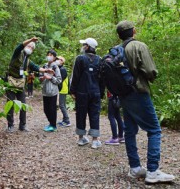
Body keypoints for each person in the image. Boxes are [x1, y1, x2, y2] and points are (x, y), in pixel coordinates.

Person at [116, 20, 175, 184]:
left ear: (120, 35)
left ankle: (135, 168)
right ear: (134, 31)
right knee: (155, 130)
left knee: (130, 131)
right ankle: (153, 171)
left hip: (124, 95)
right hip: (138, 92)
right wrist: (152, 76)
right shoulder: (138, 46)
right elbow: (150, 70)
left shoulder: (118, 50)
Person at [6, 37, 52, 132]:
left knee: (23, 104)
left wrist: (46, 70)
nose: (30, 48)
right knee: (10, 104)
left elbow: (36, 68)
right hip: (11, 82)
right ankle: (10, 125)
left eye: (32, 48)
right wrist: (31, 40)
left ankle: (22, 125)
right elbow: (20, 46)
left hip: (21, 84)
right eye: (29, 46)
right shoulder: (17, 54)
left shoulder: (28, 61)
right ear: (25, 46)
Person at [70, 38, 105, 149]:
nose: (83, 46)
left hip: (82, 92)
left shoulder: (80, 59)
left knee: (81, 113)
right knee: (95, 114)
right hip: (95, 92)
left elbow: (75, 76)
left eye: (84, 45)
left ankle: (81, 138)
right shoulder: (100, 60)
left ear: (88, 47)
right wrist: (101, 93)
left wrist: (72, 91)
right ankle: (95, 141)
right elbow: (102, 79)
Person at [40, 50, 62, 132]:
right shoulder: (44, 66)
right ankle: (50, 123)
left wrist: (51, 78)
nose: (49, 56)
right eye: (48, 54)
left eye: (51, 55)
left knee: (52, 109)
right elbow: (40, 78)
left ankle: (53, 125)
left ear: (54, 57)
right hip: (45, 91)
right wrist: (42, 78)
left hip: (53, 91)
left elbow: (59, 80)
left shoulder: (55, 67)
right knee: (46, 109)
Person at [56, 56, 71, 127]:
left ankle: (67, 121)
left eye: (59, 59)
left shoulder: (62, 69)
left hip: (63, 89)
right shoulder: (60, 69)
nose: (57, 60)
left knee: (61, 105)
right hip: (63, 89)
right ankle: (65, 120)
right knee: (63, 105)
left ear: (62, 61)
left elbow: (59, 80)